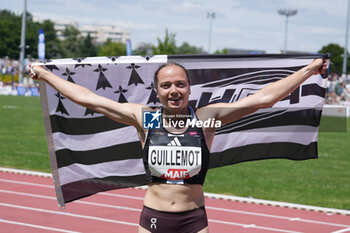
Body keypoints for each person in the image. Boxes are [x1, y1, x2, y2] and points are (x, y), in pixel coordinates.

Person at [30, 57, 328, 233]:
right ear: (157, 91)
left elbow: (263, 98)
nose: (174, 91)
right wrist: (44, 74)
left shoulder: (207, 119)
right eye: (166, 85)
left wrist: (309, 70)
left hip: (193, 220)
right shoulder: (144, 119)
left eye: (180, 84)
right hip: (153, 219)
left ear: (189, 88)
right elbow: (88, 99)